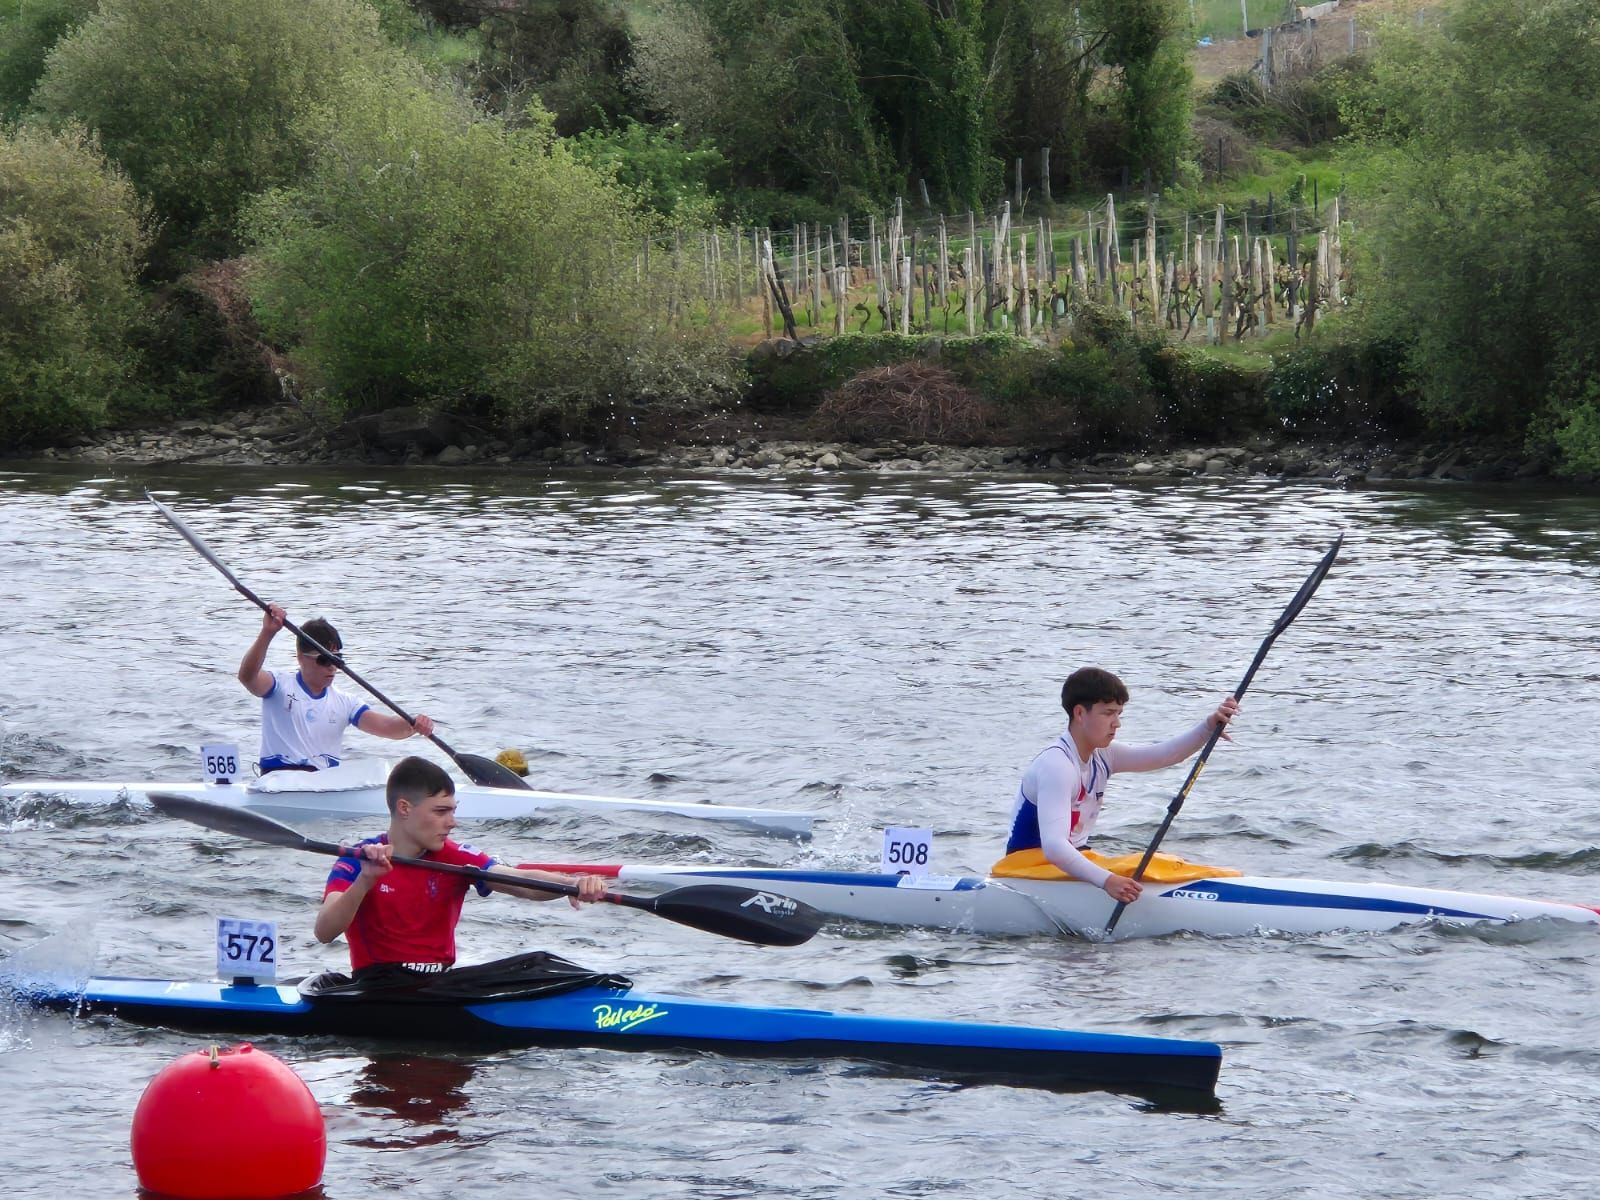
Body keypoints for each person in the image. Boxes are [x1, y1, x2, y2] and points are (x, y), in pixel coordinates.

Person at [314, 756, 609, 977]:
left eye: (453, 811)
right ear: (404, 809)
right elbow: (324, 931)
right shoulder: (357, 859)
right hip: (377, 989)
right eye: (441, 812)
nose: (452, 823)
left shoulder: (455, 857)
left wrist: (571, 884)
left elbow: (520, 881)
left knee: (540, 965)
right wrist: (366, 880)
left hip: (439, 985)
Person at [1004, 667, 1239, 904]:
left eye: (1118, 714)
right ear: (1079, 713)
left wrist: (1209, 727)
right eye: (1108, 713)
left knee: (1154, 863)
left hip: (1069, 863)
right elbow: (1054, 847)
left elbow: (1166, 755)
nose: (1116, 724)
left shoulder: (1104, 755)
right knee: (1144, 865)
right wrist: (1108, 881)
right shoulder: (1057, 765)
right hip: (1028, 868)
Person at [237, 604, 435, 773]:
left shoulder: (345, 702)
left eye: (337, 660)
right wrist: (268, 633)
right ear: (301, 658)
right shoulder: (278, 685)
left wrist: (413, 725)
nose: (332, 667)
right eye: (324, 660)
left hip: (324, 784)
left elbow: (388, 728)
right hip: (278, 780)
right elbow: (247, 677)